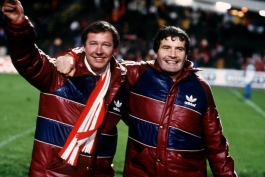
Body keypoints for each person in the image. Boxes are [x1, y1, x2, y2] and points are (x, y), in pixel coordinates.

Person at [57, 26, 237, 176]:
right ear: (156, 51)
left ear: (186, 54)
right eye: (166, 48)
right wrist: (71, 55)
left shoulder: (201, 88)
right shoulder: (136, 74)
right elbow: (100, 58)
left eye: (179, 49)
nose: (172, 54)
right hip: (140, 172)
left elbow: (216, 144)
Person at [2, 0, 130, 176]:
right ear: (83, 47)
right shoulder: (59, 74)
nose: (98, 50)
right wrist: (19, 23)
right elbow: (27, 58)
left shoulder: (122, 84)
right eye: (93, 44)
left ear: (115, 49)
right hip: (52, 173)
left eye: (106, 45)